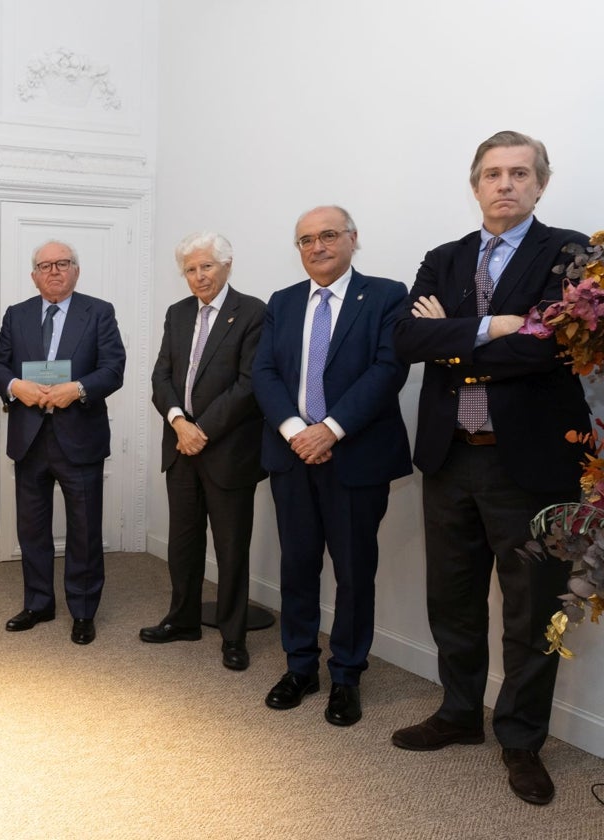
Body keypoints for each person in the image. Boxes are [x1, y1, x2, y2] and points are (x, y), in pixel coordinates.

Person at [391, 131, 589, 806]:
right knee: (452, 599)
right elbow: (407, 338)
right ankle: (458, 713)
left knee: (535, 614)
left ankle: (523, 740)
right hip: (450, 462)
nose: (505, 184)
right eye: (493, 174)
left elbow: (551, 349)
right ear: (475, 185)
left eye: (519, 173)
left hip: (533, 467)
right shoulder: (442, 258)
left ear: (540, 184)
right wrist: (496, 326)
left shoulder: (573, 254)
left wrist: (457, 336)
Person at [252, 206, 410, 726]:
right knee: (296, 565)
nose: (316, 247)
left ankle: (346, 674)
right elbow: (266, 372)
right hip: (293, 455)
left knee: (353, 571)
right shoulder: (283, 301)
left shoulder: (385, 295)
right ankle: (300, 666)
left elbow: (388, 369)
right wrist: (298, 432)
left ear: (352, 239)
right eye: (304, 240)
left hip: (356, 455)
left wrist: (331, 429)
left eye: (327, 236)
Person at [0, 240, 125, 645]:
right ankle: (38, 602)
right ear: (34, 275)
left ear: (76, 270)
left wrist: (77, 389)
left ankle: (82, 611)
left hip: (79, 436)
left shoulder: (98, 312)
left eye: (62, 263)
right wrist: (16, 387)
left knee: (84, 530)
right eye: (44, 266)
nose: (54, 271)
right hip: (30, 436)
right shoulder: (17, 314)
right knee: (32, 530)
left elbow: (113, 369)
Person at [143, 232, 266, 670]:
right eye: (191, 269)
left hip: (227, 451)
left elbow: (250, 385)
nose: (198, 276)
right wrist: (179, 421)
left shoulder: (252, 312)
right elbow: (161, 376)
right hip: (181, 446)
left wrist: (201, 430)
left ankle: (233, 635)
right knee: (184, 541)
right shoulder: (177, 313)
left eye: (206, 267)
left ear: (227, 266)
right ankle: (183, 619)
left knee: (231, 548)